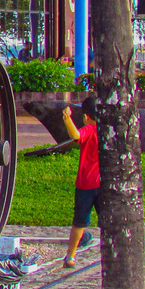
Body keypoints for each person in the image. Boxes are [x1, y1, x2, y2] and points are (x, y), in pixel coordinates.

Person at [62, 96, 100, 268]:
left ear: (86, 117)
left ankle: (70, 255)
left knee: (79, 222)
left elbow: (75, 135)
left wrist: (67, 119)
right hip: (103, 185)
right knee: (106, 221)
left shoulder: (90, 129)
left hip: (85, 184)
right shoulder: (108, 131)